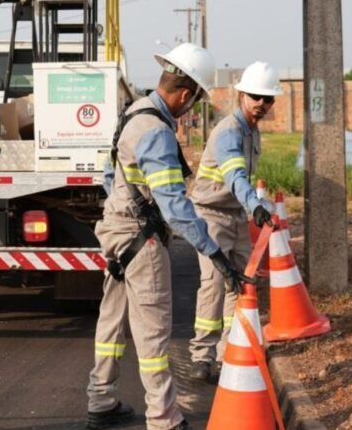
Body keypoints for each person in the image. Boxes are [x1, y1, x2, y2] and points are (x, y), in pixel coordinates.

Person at [86, 43, 250, 430]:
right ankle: (163, 417)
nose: (190, 109)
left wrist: (124, 216)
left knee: (110, 321)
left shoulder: (131, 114)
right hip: (141, 241)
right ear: (188, 93)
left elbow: (110, 176)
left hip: (116, 233)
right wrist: (215, 254)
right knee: (154, 333)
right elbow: (176, 206)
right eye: (193, 101)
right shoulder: (157, 132)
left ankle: (101, 397)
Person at [187, 61, 282, 380]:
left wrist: (252, 208)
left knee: (240, 284)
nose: (261, 104)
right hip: (211, 215)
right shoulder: (229, 131)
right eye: (255, 96)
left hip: (235, 215)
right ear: (242, 95)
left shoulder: (251, 132)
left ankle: (229, 352)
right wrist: (255, 205)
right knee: (214, 285)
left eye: (267, 99)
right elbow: (236, 176)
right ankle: (202, 356)